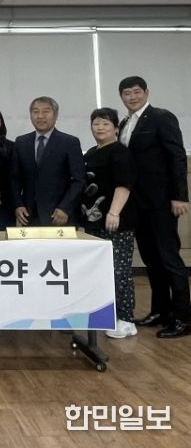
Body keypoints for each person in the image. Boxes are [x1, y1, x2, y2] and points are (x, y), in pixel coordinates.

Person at [118, 76, 190, 338]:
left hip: (161, 201)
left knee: (169, 258)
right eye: (127, 93)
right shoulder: (124, 123)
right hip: (137, 203)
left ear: (146, 93)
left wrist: (179, 196)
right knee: (151, 259)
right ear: (121, 97)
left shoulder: (161, 117)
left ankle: (184, 317)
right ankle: (161, 311)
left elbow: (177, 156)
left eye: (137, 92)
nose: (132, 97)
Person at [81, 108, 138, 339]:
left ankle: (127, 319)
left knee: (119, 270)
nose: (100, 128)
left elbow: (124, 185)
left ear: (115, 128)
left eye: (105, 124)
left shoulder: (120, 152)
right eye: (96, 123)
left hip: (116, 222)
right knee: (98, 271)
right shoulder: (91, 153)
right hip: (93, 222)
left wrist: (114, 212)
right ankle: (105, 315)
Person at [11, 96, 85, 227]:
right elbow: (14, 178)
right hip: (29, 216)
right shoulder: (21, 142)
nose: (40, 116)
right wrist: (18, 205)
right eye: (35, 112)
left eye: (46, 111)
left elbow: (79, 180)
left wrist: (65, 208)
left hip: (59, 216)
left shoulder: (70, 142)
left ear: (55, 115)